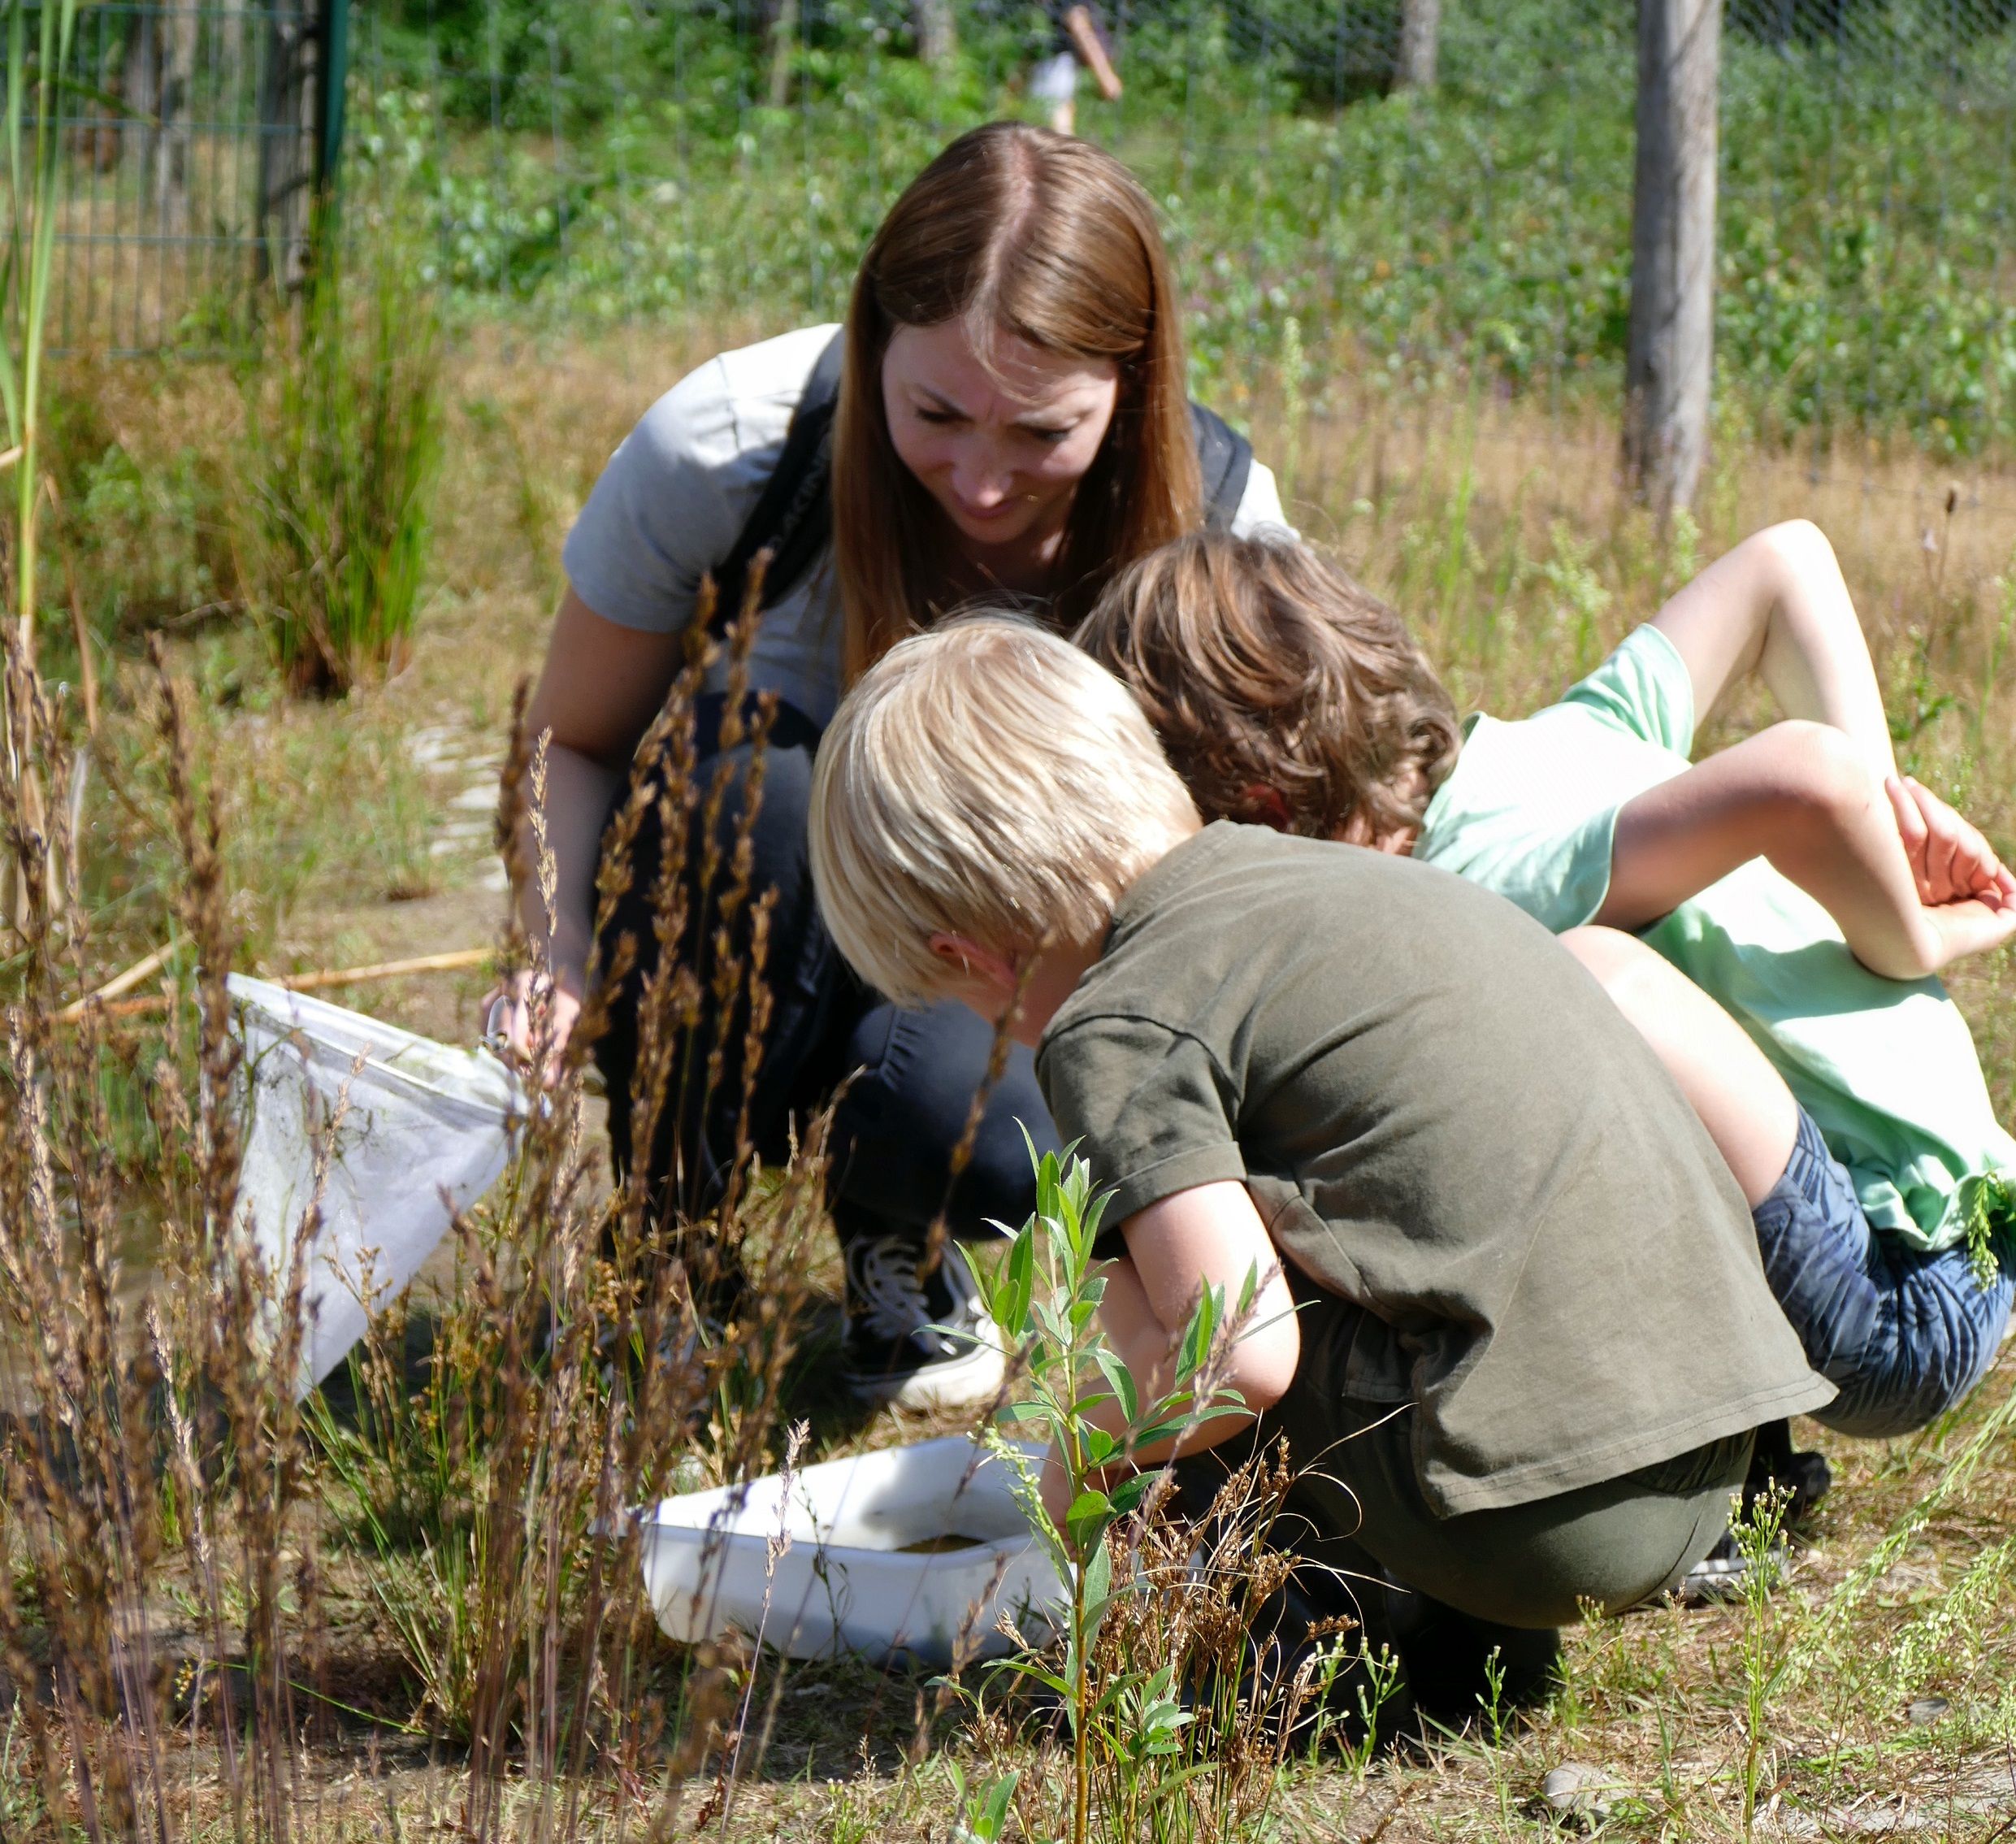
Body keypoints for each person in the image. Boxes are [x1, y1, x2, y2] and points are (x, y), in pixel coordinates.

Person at [805, 615, 1834, 1699]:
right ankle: (1446, 1630)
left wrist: (1067, 1458)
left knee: (1125, 1300)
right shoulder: (1327, 878)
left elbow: (1236, 1354)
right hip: (1712, 1462)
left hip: (1551, 1527)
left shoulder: (1118, 1018)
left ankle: (1277, 1661)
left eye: (966, 1005)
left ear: (967, 957)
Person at [493, 123, 1290, 1411]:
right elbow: (570, 740)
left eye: (1042, 431)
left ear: (1131, 391)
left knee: (956, 1123)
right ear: (872, 347)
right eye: (934, 414)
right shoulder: (738, 448)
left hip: (1004, 974)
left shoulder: (1216, 522)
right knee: (755, 782)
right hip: (772, 905)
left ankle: (906, 1246)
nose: (981, 481)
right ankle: (665, 1240)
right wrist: (557, 948)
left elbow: (1260, 876)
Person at [1077, 526, 2016, 1461]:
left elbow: (1804, 777)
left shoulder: (1494, 881)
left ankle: (1682, 1450)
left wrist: (1909, 925)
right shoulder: (1572, 736)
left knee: (1583, 987)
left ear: (1261, 812)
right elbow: (1790, 560)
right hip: (1973, 1216)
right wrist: (1896, 839)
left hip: (1904, 1299)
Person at [1028, 3, 1122, 137]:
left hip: (1042, 66)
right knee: (1060, 134)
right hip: (1058, 67)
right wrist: (1105, 75)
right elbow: (1080, 28)